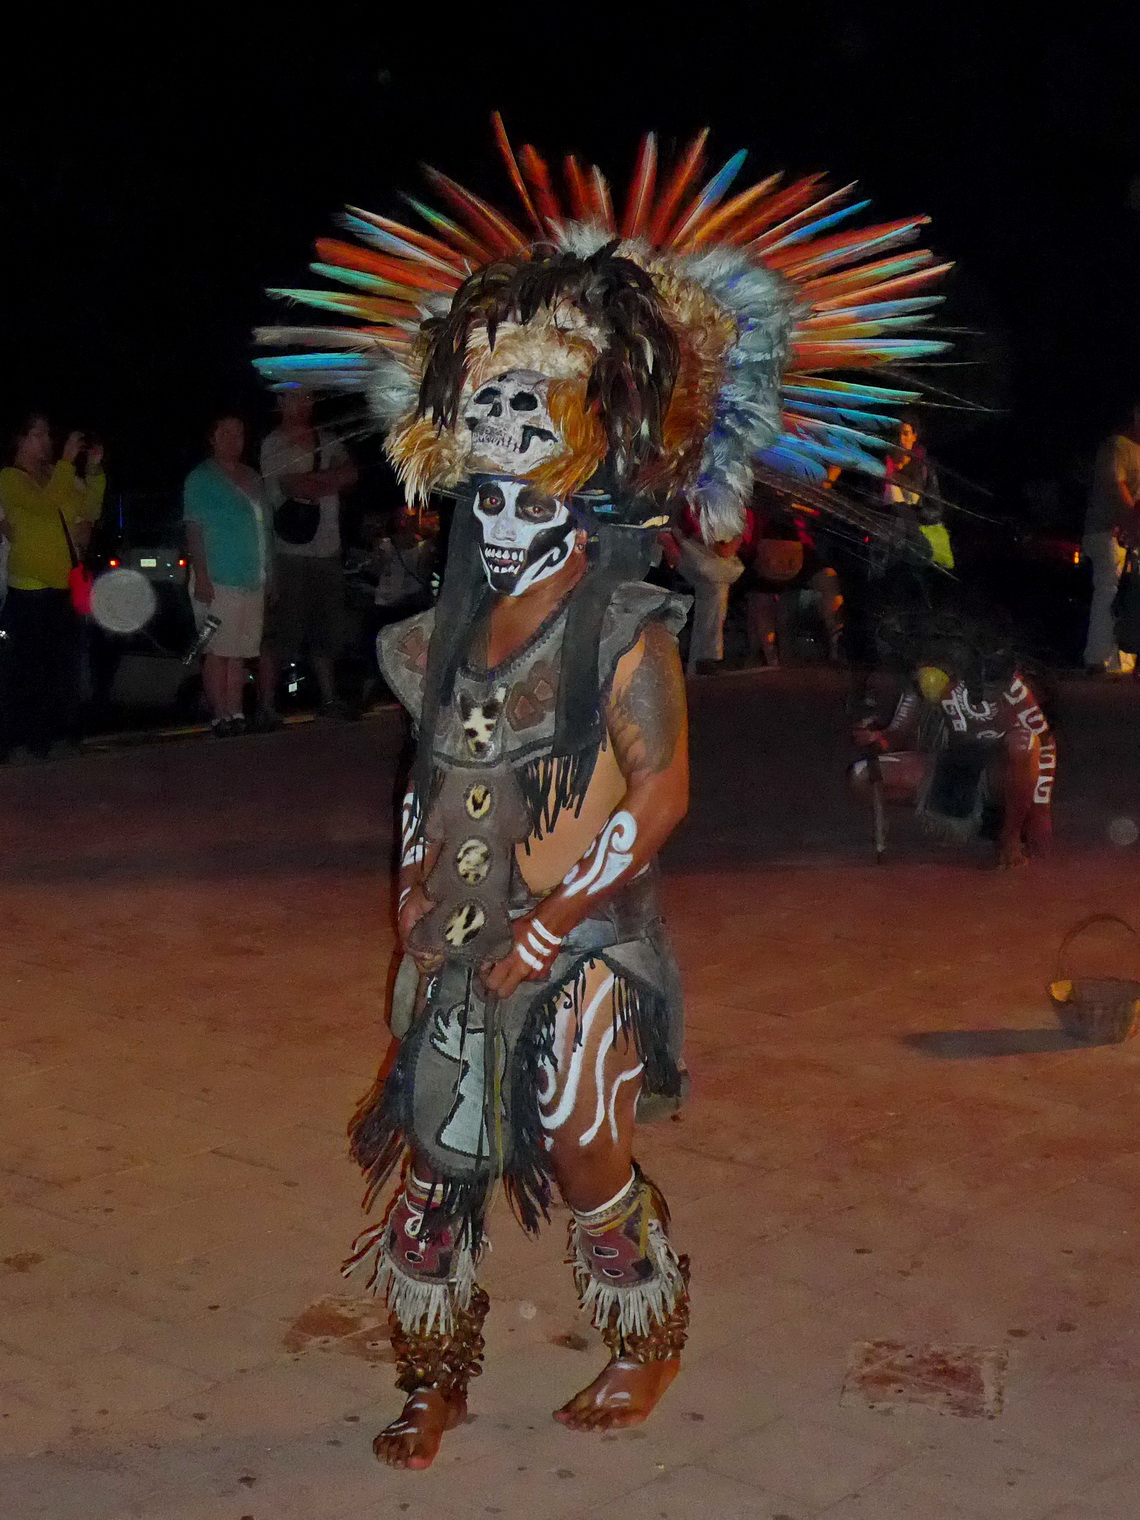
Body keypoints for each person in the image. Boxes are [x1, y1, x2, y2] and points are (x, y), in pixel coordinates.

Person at [255, 121, 951, 1470]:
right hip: (458, 931)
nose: (505, 499)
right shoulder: (453, 627)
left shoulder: (625, 630)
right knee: (438, 1158)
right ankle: (434, 1372)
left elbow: (665, 791)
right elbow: (433, 768)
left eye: (535, 466)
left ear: (591, 480)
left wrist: (551, 913)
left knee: (583, 1151)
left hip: (578, 941)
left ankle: (646, 1337)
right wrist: (416, 880)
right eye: (488, 470)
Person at [850, 633, 1055, 868]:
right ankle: (970, 821)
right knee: (861, 776)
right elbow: (895, 735)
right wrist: (877, 738)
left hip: (997, 772)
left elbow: (1045, 743)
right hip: (947, 763)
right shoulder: (931, 683)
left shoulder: (1015, 689)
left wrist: (1041, 808)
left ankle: (1010, 836)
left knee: (1024, 744)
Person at [0, 415, 104, 759]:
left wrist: (93, 473)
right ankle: (25, 740)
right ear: (20, 440)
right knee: (29, 668)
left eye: (48, 432)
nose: (47, 439)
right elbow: (43, 506)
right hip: (31, 588)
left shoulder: (60, 476)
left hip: (65, 585)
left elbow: (87, 509)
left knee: (64, 667)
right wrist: (64, 463)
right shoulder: (10, 478)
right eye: (38, 434)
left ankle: (61, 735)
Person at [258, 388, 358, 720]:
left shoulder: (326, 438)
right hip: (289, 552)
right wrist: (330, 479)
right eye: (295, 398)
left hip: (327, 550)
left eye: (307, 398)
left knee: (326, 631)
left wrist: (316, 480)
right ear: (280, 403)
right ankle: (267, 706)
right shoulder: (274, 443)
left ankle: (329, 701)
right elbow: (296, 487)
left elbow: (352, 474)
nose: (303, 404)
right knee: (280, 632)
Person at [182, 415, 270, 738]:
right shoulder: (200, 479)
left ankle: (236, 711)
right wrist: (201, 576)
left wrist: (269, 575)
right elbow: (194, 529)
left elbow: (265, 530)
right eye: (227, 433)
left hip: (251, 578)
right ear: (213, 437)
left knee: (240, 651)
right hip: (218, 579)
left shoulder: (253, 477)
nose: (235, 439)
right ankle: (219, 715)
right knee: (217, 649)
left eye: (240, 433)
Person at [1081, 402, 1140, 675]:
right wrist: (1133, 521)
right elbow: (1116, 486)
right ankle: (1097, 658)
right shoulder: (1117, 445)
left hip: (1128, 533)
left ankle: (1121, 660)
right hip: (1106, 530)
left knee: (1125, 592)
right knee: (1110, 589)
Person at [663, 502, 745, 673]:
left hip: (711, 563)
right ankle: (708, 657)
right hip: (686, 554)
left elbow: (727, 547)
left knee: (715, 587)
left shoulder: (733, 508)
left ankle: (705, 659)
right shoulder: (690, 506)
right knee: (716, 586)